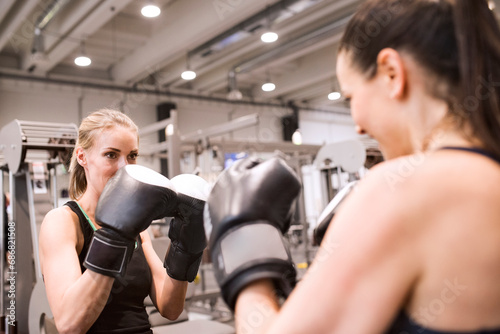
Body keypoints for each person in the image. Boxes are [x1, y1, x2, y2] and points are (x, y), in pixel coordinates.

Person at [204, 0, 500, 333]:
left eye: (350, 98)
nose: (357, 126)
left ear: (391, 73)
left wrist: (246, 254)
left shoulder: (403, 189)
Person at [39, 108, 208, 333]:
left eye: (132, 156)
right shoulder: (62, 222)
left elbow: (170, 308)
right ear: (82, 157)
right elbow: (70, 325)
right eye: (111, 154)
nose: (124, 167)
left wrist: (186, 248)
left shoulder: (139, 228)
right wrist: (114, 237)